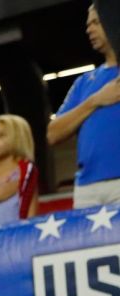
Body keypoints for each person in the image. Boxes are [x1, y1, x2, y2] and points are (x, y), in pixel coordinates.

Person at [48, 4, 120, 207]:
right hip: (86, 189)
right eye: (88, 24)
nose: (89, 29)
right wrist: (96, 100)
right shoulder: (84, 82)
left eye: (96, 22)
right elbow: (53, 133)